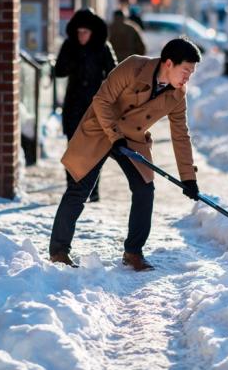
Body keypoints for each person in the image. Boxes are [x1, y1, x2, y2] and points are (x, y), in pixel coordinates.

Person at [49, 38, 202, 271]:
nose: (187, 78)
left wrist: (188, 177)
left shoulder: (178, 95)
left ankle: (133, 252)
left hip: (132, 139)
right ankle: (59, 251)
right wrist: (114, 136)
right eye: (186, 71)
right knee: (79, 188)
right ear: (169, 63)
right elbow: (102, 101)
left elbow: (181, 135)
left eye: (191, 73)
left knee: (145, 189)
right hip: (102, 129)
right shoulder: (134, 67)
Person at [55, 8, 117, 202]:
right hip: (73, 104)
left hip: (95, 105)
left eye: (85, 32)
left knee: (94, 149)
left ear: (92, 32)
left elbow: (114, 74)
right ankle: (72, 188)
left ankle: (93, 189)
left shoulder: (103, 47)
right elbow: (59, 71)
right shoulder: (69, 45)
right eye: (79, 32)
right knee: (73, 148)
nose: (82, 36)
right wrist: (72, 60)